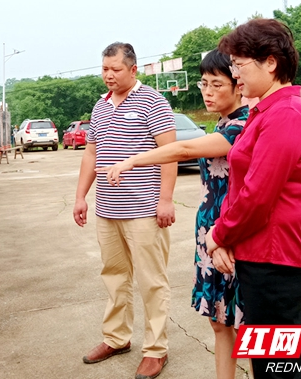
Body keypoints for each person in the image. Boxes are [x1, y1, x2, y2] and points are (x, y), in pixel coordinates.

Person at [97, 48, 247, 379]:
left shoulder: (245, 124)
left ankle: (156, 350)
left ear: (239, 84)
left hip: (235, 234)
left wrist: (133, 160)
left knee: (249, 321)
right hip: (213, 234)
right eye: (203, 84)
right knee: (221, 321)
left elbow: (183, 149)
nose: (207, 92)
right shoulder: (224, 120)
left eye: (216, 84)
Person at [204, 19, 301, 379]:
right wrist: (225, 237)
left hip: (275, 261)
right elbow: (241, 185)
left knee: (277, 369)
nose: (236, 75)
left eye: (240, 64)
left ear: (271, 62)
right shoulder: (263, 111)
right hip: (257, 255)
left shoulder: (285, 115)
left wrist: (218, 235)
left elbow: (257, 195)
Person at [73, 42, 177, 379]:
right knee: (115, 278)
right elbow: (91, 154)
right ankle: (117, 338)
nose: (108, 75)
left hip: (145, 209)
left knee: (151, 282)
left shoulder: (153, 102)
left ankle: (155, 350)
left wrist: (166, 199)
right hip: (107, 209)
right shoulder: (100, 107)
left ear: (133, 70)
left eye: (115, 69)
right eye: (104, 69)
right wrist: (81, 197)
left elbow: (170, 153)